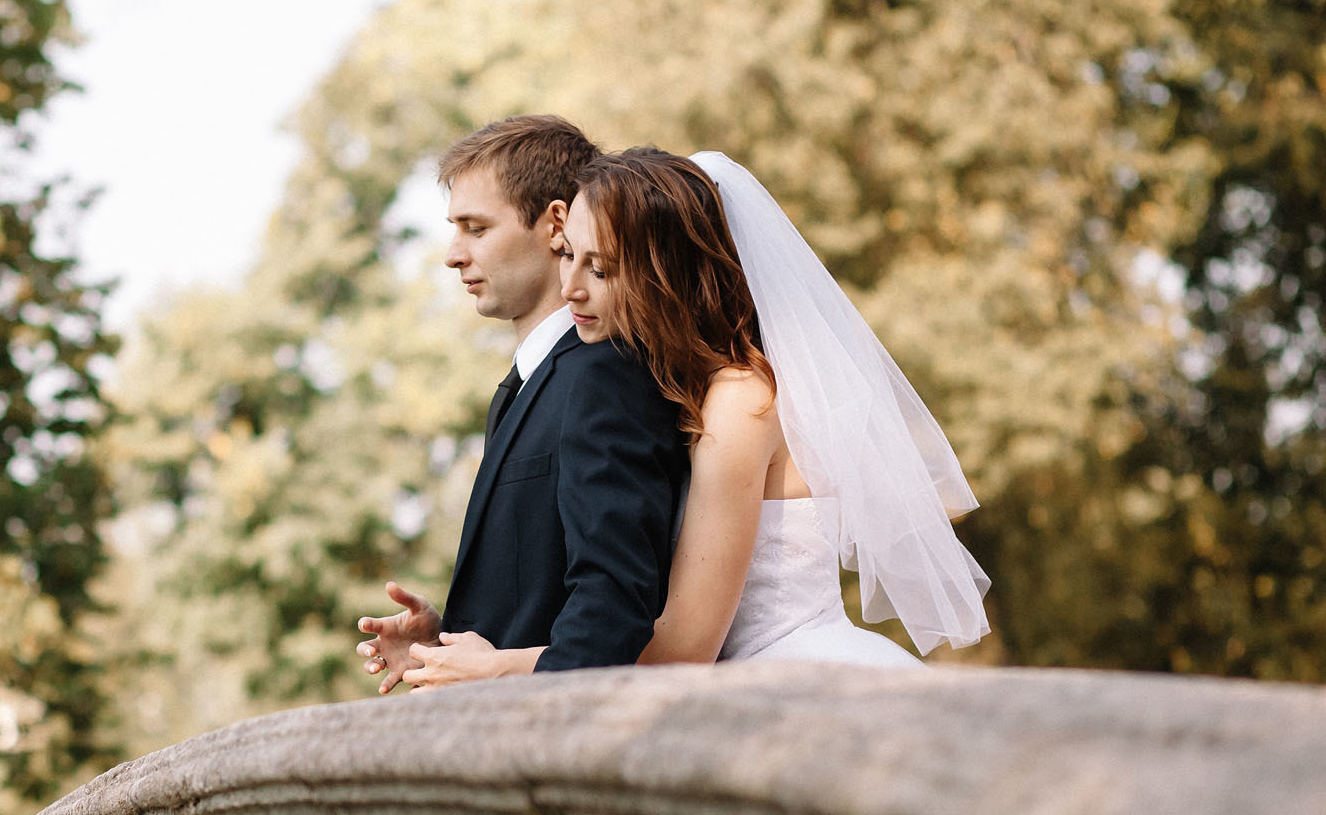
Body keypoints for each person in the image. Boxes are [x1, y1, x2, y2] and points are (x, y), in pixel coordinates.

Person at [386, 146, 988, 683]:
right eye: (570, 256)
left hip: (789, 677)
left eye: (602, 268)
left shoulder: (742, 401)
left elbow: (685, 647)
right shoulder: (683, 390)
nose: (570, 288)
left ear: (666, 273)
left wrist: (499, 666)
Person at [357, 116, 689, 688]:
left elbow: (614, 607)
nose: (453, 255)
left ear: (556, 224)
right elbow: (546, 588)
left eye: (476, 228)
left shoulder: (603, 375)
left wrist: (496, 674)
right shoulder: (525, 387)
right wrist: (443, 644)